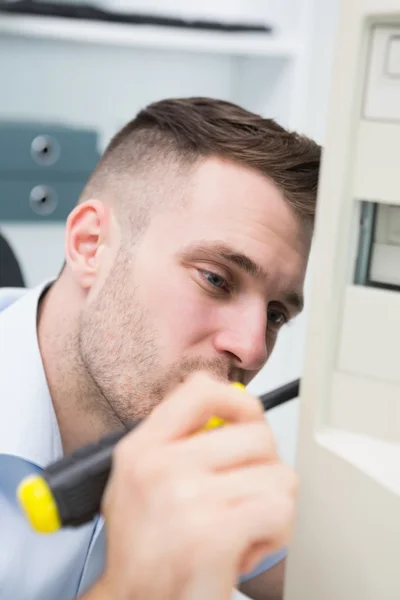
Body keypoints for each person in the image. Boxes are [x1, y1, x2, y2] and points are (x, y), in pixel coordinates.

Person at [0, 97, 320, 600]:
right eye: (216, 279)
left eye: (276, 314)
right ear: (90, 244)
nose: (253, 348)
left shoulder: (196, 441)